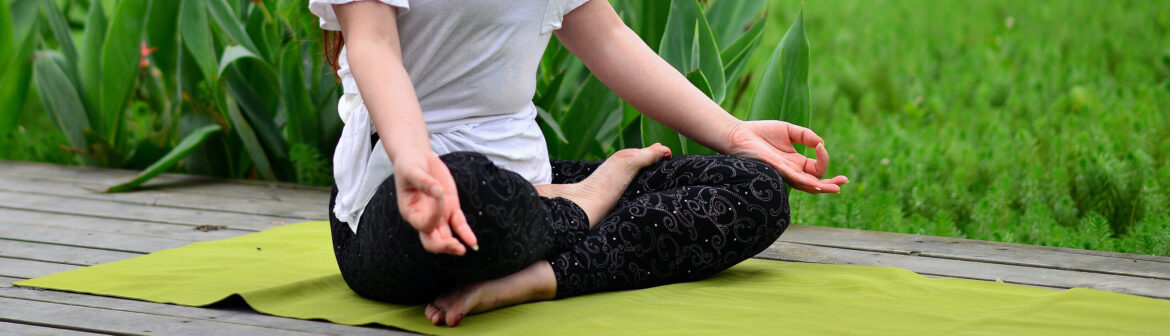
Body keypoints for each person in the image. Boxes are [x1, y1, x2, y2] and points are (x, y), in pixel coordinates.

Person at [309, 0, 848, 327]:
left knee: (752, 190)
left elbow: (610, 40)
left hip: (528, 187)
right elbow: (373, 44)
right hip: (404, 205)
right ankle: (581, 205)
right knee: (468, 182)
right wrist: (413, 162)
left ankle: (542, 276)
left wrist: (734, 134)